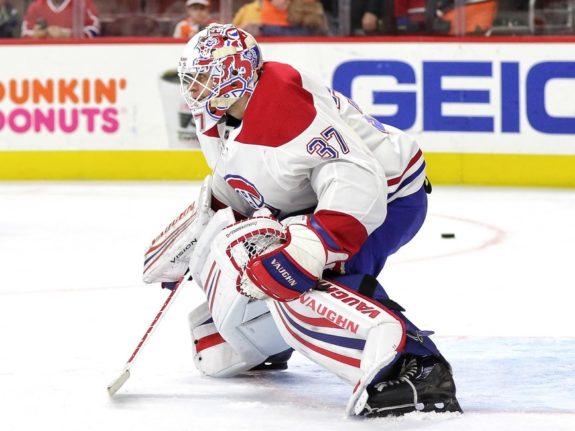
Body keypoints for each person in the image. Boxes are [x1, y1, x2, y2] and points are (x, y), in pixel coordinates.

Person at [143, 23, 462, 418]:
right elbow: (242, 179)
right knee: (252, 272)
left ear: (235, 75)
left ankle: (419, 369)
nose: (194, 89)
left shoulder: (286, 111)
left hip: (387, 197)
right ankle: (272, 340)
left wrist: (314, 247)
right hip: (315, 200)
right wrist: (199, 237)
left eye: (204, 77)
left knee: (318, 273)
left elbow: (357, 180)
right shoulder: (219, 112)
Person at [21, 0, 100, 39]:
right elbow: (25, 34)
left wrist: (68, 34)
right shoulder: (36, 6)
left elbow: (94, 32)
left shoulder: (83, 3)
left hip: (75, 58)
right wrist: (37, 35)